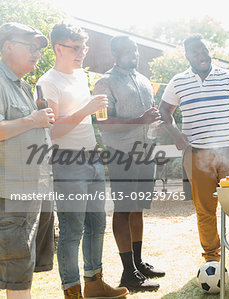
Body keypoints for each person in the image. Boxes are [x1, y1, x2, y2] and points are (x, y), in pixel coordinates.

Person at [159, 34, 229, 273]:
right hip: (197, 156)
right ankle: (212, 261)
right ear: (187, 55)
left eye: (204, 50)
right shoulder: (178, 81)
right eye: (195, 52)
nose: (201, 55)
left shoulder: (227, 76)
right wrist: (176, 134)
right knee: (205, 211)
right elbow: (164, 110)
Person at [37, 23, 128, 299]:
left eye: (84, 47)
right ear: (58, 48)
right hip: (66, 164)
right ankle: (72, 291)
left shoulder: (78, 76)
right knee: (72, 229)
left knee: (97, 224)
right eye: (76, 48)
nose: (82, 53)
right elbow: (51, 130)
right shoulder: (47, 82)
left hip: (92, 159)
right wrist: (86, 108)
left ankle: (95, 284)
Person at [93, 35, 165, 293]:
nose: (133, 55)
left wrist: (154, 122)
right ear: (115, 54)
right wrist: (140, 120)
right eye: (126, 51)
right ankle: (127, 273)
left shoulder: (144, 81)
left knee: (138, 209)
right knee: (124, 209)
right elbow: (102, 123)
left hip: (146, 152)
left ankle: (137, 263)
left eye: (134, 50)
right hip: (122, 154)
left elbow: (148, 117)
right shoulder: (104, 83)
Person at [0, 22, 54, 299]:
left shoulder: (24, 86)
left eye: (38, 49)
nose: (37, 54)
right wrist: (33, 120)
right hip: (11, 194)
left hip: (32, 190)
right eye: (30, 47)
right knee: (16, 271)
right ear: (8, 46)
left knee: (20, 269)